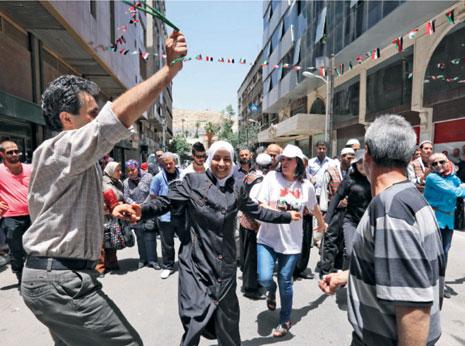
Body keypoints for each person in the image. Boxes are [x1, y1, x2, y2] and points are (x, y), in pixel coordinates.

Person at [21, 30, 187, 345]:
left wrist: (112, 208)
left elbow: (62, 207)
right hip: (61, 281)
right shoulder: (62, 146)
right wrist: (168, 71)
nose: (98, 119)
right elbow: (117, 117)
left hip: (55, 279)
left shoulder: (70, 158)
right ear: (67, 119)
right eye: (92, 114)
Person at [131, 140, 300, 346]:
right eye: (217, 158)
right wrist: (142, 210)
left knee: (226, 318)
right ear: (210, 159)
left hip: (225, 264)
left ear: (233, 162)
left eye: (227, 159)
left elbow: (258, 211)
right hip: (196, 260)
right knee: (195, 316)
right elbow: (166, 202)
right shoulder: (192, 181)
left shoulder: (238, 188)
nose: (222, 163)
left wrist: (287, 216)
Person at [320, 114, 445, 346]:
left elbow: (414, 307)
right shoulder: (409, 198)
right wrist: (348, 275)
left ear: (367, 153)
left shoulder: (390, 208)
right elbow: (401, 268)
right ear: (409, 157)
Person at [256, 144, 326, 337]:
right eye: (282, 159)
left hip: (292, 243)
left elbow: (314, 207)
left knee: (285, 280)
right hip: (267, 239)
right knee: (264, 277)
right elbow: (261, 204)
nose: (284, 162)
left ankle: (285, 319)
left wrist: (321, 223)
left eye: (289, 160)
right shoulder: (271, 178)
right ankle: (271, 290)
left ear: (299, 163)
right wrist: (282, 214)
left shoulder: (306, 186)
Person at [320, 149, 371, 273]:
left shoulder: (375, 179)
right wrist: (326, 220)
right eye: (360, 163)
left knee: (369, 253)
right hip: (351, 221)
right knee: (349, 252)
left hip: (369, 222)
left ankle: (360, 277)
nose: (363, 166)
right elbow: (336, 198)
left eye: (365, 163)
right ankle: (350, 275)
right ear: (355, 165)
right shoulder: (349, 180)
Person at [424, 153, 465, 298]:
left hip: (448, 221)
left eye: (442, 162)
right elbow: (455, 192)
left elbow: (459, 189)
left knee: (444, 254)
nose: (439, 165)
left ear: (448, 162)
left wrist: (453, 176)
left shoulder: (453, 178)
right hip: (435, 220)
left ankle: (439, 285)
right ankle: (428, 284)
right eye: (434, 164)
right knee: (433, 253)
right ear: (430, 167)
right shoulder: (432, 178)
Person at [239, 153, 273, 299]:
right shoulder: (261, 180)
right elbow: (255, 204)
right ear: (269, 167)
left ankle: (252, 283)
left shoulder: (250, 175)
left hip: (244, 221)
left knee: (248, 257)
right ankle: (250, 289)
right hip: (252, 224)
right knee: (251, 258)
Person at [0, 139, 32, 286]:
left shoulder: (29, 169)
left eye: (16, 151)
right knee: (17, 250)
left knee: (36, 248)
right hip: (11, 217)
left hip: (33, 215)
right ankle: (20, 275)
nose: (14, 154)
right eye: (9, 152)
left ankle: (35, 276)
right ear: (2, 154)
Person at [150, 152, 182, 279]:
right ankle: (168, 266)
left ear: (175, 162)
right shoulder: (158, 177)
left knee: (186, 241)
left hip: (181, 214)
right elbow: (153, 195)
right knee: (167, 243)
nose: (168, 165)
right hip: (165, 216)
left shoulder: (182, 174)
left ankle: (187, 264)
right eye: (166, 163)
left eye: (170, 163)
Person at [123, 159, 158, 270]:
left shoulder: (148, 177)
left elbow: (153, 192)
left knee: (150, 235)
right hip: (135, 212)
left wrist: (144, 205)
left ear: (137, 168)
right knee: (140, 237)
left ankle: (152, 260)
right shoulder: (126, 182)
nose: (130, 173)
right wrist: (134, 204)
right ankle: (143, 259)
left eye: (132, 170)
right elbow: (126, 196)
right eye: (128, 171)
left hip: (148, 210)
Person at [96, 161, 124, 276]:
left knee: (113, 239)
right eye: (117, 170)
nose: (120, 173)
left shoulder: (119, 183)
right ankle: (100, 267)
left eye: (120, 170)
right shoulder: (102, 182)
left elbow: (122, 196)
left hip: (115, 215)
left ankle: (112, 263)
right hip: (103, 216)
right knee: (101, 242)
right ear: (111, 171)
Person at [293, 155, 315, 280]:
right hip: (295, 216)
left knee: (306, 242)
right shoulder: (291, 178)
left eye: (305, 163)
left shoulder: (308, 179)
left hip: (307, 215)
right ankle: (292, 268)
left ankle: (300, 268)